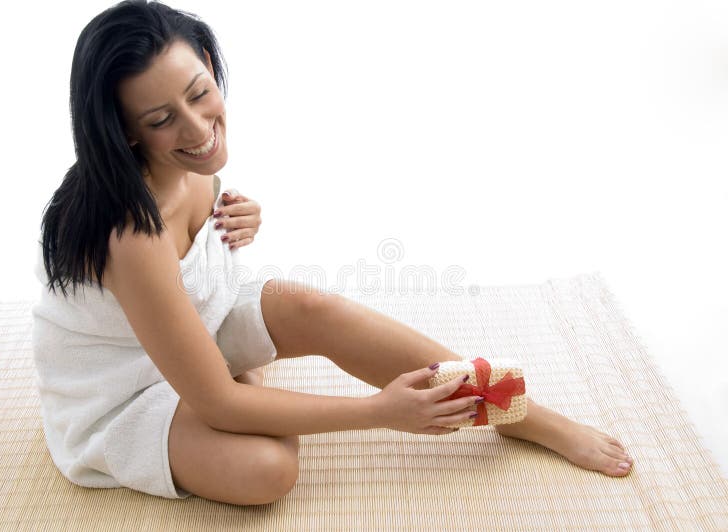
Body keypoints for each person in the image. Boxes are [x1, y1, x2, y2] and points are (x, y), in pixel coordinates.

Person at [32, 0, 634, 507]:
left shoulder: (184, 163)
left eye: (200, 93)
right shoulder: (129, 232)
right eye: (163, 119)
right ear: (126, 130)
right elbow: (212, 397)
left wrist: (244, 211)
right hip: (125, 391)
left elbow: (200, 223)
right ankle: (249, 385)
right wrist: (379, 411)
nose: (196, 130)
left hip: (194, 333)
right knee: (269, 471)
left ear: (211, 66)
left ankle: (525, 417)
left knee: (313, 306)